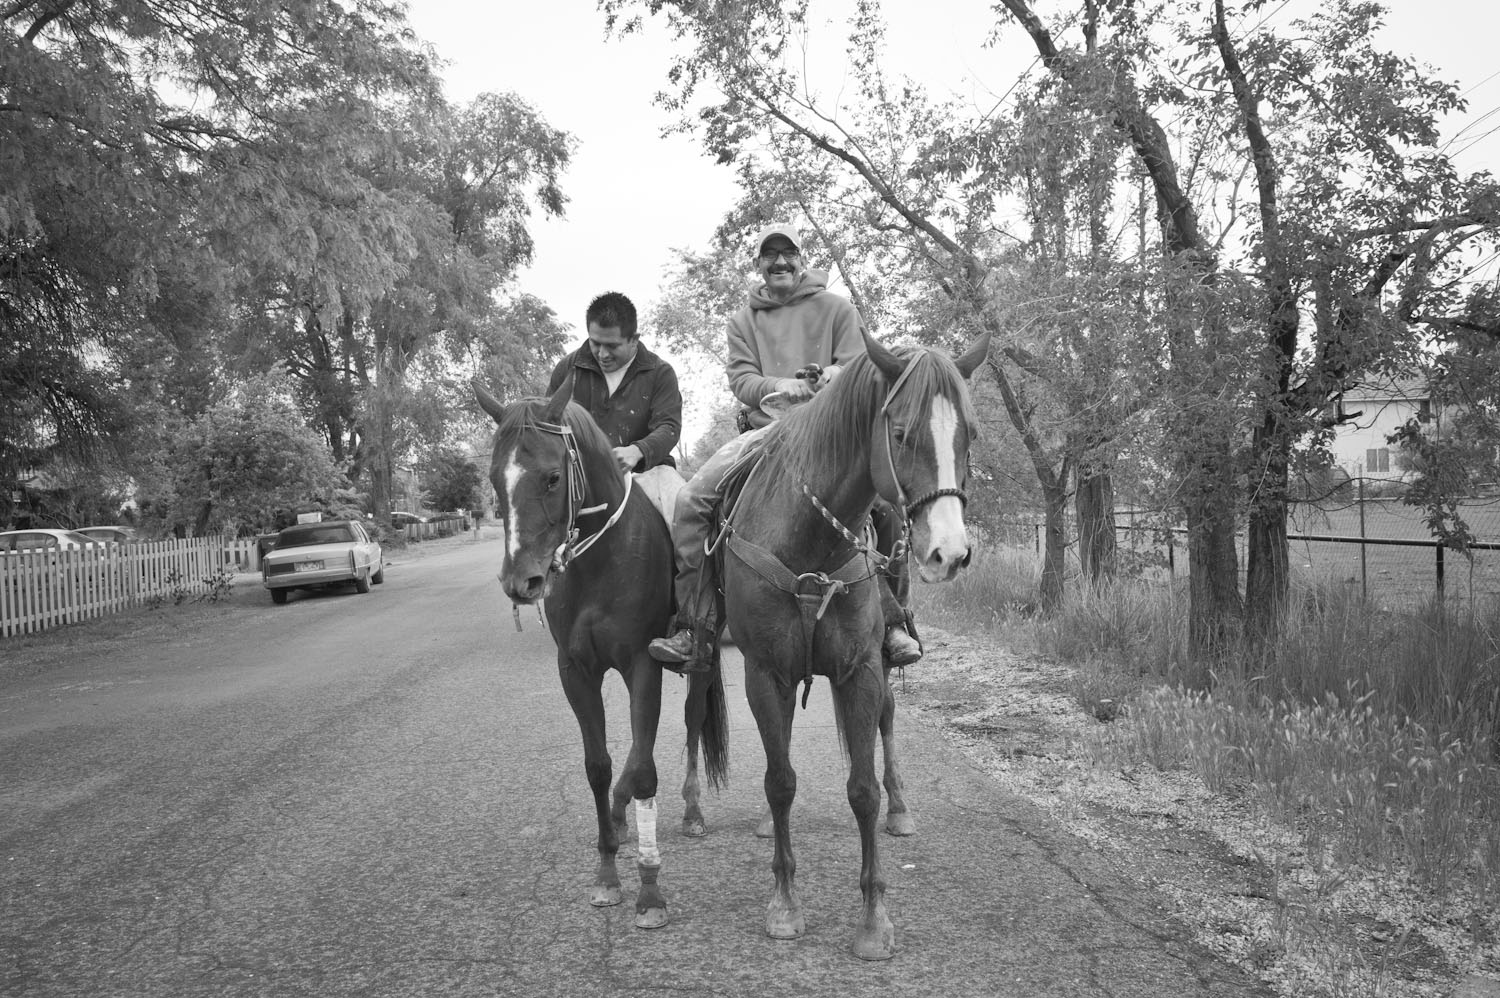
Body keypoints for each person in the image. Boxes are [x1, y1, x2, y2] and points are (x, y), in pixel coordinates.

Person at [648, 224, 923, 671]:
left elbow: (858, 364)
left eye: (788, 253)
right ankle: (695, 628)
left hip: (836, 432)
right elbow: (741, 378)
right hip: (767, 430)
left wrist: (833, 376)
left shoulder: (837, 308)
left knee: (889, 501)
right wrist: (784, 385)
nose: (780, 262)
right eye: (769, 255)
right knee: (692, 500)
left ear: (801, 258)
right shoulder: (742, 322)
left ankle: (895, 622)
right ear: (757, 264)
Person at [547, 291, 682, 474]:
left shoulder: (660, 373)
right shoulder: (568, 368)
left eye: (612, 346)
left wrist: (637, 451)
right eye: (595, 343)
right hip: (581, 475)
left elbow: (669, 427)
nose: (602, 354)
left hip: (649, 472)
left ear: (634, 340)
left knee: (680, 499)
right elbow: (548, 424)